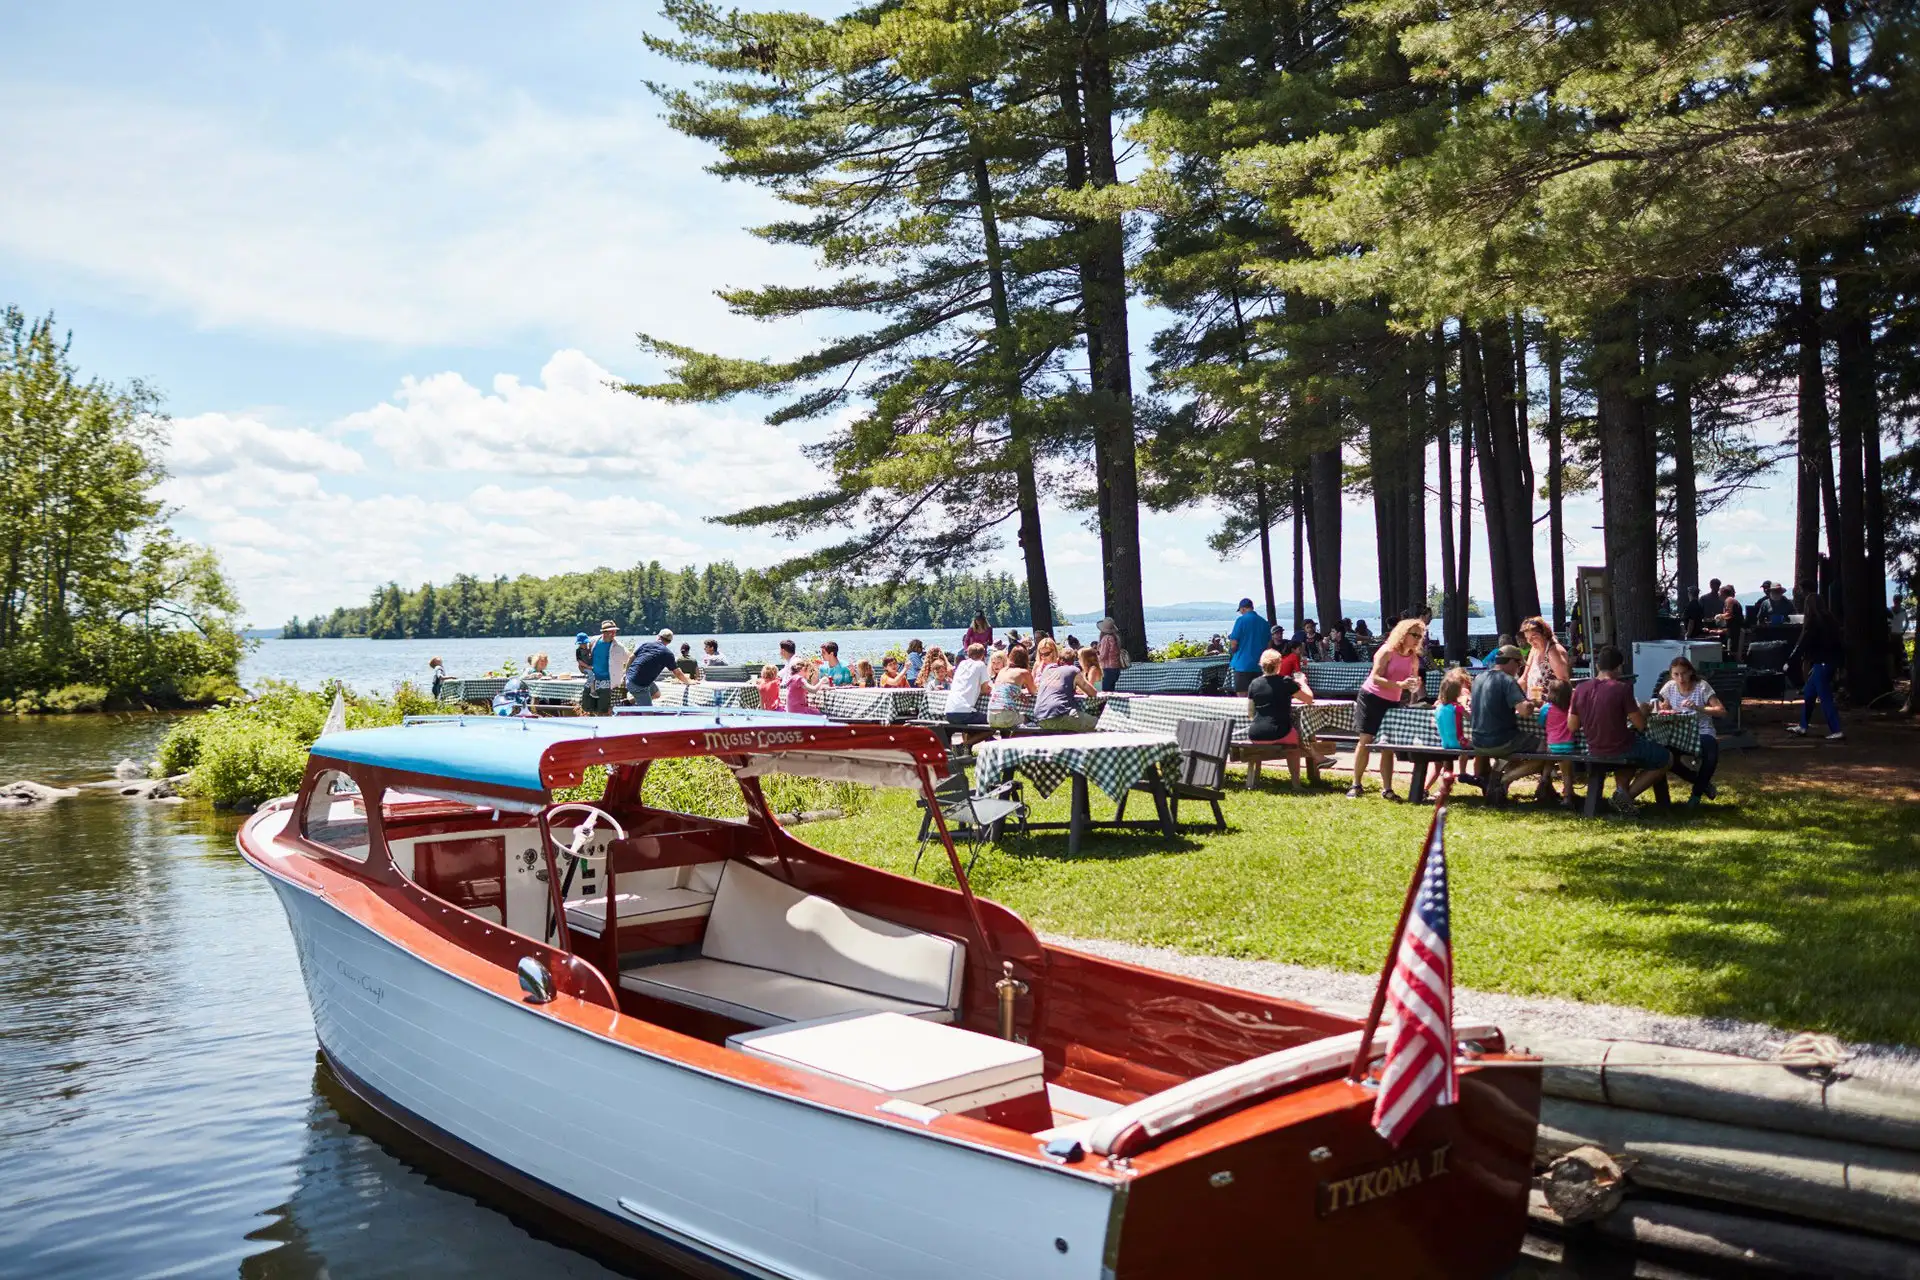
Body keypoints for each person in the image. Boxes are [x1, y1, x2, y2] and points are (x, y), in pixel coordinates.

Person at [1570, 644, 1671, 815]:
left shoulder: (1580, 689)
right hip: (1621, 746)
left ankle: (1622, 797)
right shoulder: (1622, 688)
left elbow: (1572, 726)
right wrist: (1644, 711)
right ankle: (1626, 797)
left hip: (1593, 747)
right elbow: (1640, 724)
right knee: (1666, 758)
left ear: (1597, 666)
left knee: (1630, 759)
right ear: (1619, 667)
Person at [1346, 618, 1426, 800]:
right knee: (1366, 740)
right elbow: (1375, 677)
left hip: (1392, 701)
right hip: (1371, 697)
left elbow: (1412, 683)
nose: (1417, 639)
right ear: (1403, 634)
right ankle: (1356, 784)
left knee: (1387, 745)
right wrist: (1400, 684)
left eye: (1420, 636)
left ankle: (1387, 789)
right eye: (1414, 635)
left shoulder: (1413, 657)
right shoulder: (1387, 651)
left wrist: (1414, 685)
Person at [1656, 657, 1725, 807]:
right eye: (1676, 674)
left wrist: (1698, 708)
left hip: (1701, 729)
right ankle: (1702, 783)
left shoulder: (1702, 687)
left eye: (1683, 673)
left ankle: (1696, 794)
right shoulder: (1669, 687)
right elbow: (1660, 706)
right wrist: (1664, 708)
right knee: (1666, 757)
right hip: (1677, 731)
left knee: (1711, 754)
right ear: (1671, 674)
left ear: (1691, 672)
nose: (1680, 678)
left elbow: (1721, 710)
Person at [1469, 645, 1537, 790]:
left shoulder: (1479, 678)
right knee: (1547, 747)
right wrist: (1533, 703)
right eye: (1519, 665)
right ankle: (1503, 780)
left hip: (1477, 740)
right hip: (1501, 741)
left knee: (1508, 753)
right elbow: (1524, 711)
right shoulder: (1508, 680)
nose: (1519, 670)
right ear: (1512, 662)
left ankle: (1496, 777)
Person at [1247, 648, 1316, 785]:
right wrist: (1302, 683)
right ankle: (1296, 783)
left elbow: (1250, 713)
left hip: (1255, 734)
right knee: (1295, 741)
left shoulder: (1254, 684)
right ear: (1279, 664)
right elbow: (1308, 698)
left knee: (1291, 736)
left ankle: (1252, 780)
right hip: (1279, 732)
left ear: (1261, 665)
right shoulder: (1285, 682)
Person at [1788, 594, 1844, 739]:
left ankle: (1836, 729)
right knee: (1809, 693)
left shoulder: (1813, 622)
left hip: (1822, 663)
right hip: (1828, 662)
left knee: (1825, 696)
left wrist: (1791, 661)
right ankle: (1803, 726)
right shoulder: (1831, 620)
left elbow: (1804, 643)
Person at [1033, 647, 1100, 732]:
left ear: (1058, 659)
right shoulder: (1073, 670)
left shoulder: (1047, 669)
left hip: (1039, 717)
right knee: (1098, 723)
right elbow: (1093, 693)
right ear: (1073, 661)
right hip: (1058, 714)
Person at [625, 629, 692, 707]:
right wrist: (688, 682)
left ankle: (629, 702)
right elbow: (677, 673)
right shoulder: (667, 654)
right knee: (648, 713)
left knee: (656, 694)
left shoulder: (646, 644)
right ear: (669, 642)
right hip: (639, 684)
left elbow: (630, 658)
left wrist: (626, 674)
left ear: (658, 637)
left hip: (630, 678)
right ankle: (640, 712)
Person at [1542, 678, 1577, 809]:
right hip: (1567, 745)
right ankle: (1567, 797)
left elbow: (1540, 722)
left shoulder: (1546, 708)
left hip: (1551, 745)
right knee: (1566, 773)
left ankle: (1543, 783)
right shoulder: (1571, 708)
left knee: (1548, 761)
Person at [584, 621, 631, 715]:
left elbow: (630, 659)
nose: (614, 633)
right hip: (592, 679)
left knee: (603, 709)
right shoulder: (593, 641)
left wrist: (626, 673)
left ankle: (604, 726)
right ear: (604, 632)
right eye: (611, 631)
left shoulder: (619, 646)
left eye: (615, 631)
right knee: (587, 706)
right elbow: (583, 654)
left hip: (608, 681)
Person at [1433, 668, 1473, 779]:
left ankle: (1446, 774)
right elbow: (1471, 718)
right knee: (1476, 745)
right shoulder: (1457, 707)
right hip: (1459, 741)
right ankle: (1463, 773)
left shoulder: (1439, 707)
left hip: (1445, 743)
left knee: (1449, 755)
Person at [1227, 597, 1270, 694]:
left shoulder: (1240, 621)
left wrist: (1233, 652)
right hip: (1259, 665)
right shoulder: (1264, 622)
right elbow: (1269, 645)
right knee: (1258, 696)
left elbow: (1234, 644)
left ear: (1243, 609)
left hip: (1243, 665)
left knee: (1242, 697)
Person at [987, 645, 1036, 729]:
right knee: (1028, 718)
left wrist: (1019, 693)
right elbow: (1034, 691)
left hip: (990, 717)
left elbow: (1005, 687)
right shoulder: (1023, 672)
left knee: (1012, 719)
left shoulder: (1002, 671)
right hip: (1006, 716)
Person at [945, 643, 992, 725]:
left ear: (968, 653)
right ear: (983, 655)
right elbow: (985, 689)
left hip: (948, 712)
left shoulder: (962, 664)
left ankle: (972, 738)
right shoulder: (980, 665)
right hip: (964, 713)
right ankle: (975, 738)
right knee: (994, 721)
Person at [1097, 617, 1125, 691]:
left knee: (1105, 693)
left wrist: (1094, 659)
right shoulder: (1116, 637)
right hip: (1115, 668)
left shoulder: (1106, 639)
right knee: (1111, 691)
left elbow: (1103, 655)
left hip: (1107, 669)